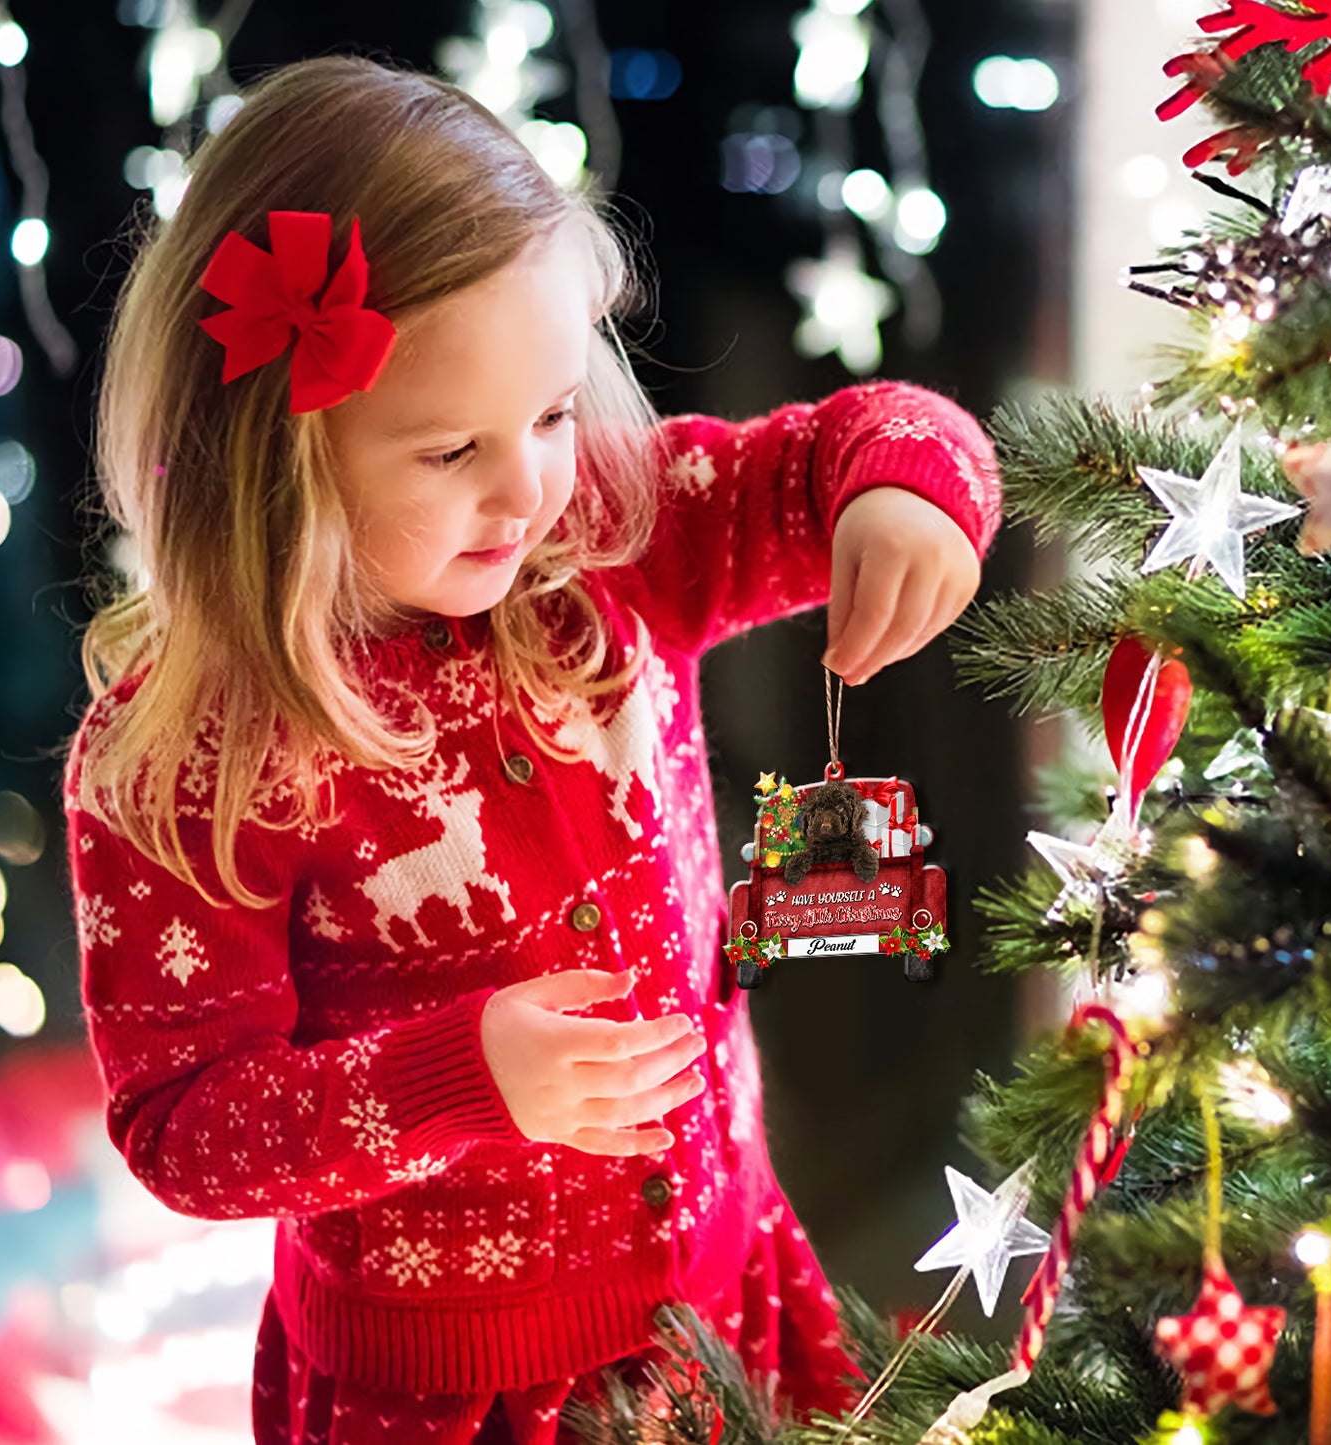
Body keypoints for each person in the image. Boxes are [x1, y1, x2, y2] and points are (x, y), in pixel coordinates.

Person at [61, 54, 1002, 1445]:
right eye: (450, 452)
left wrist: (907, 496)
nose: (528, 487)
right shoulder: (186, 753)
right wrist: (459, 1076)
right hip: (452, 1388)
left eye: (555, 412)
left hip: (718, 1284)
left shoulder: (611, 541)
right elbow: (184, 1127)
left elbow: (851, 444)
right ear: (272, 454)